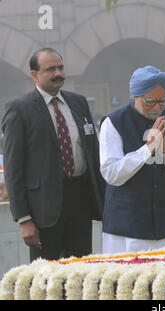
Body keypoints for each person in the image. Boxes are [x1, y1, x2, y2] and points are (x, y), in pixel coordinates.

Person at [1, 48, 105, 262]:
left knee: (81, 270)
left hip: (80, 202)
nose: (58, 73)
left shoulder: (79, 103)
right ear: (34, 75)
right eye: (50, 69)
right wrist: (24, 219)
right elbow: (13, 169)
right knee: (46, 277)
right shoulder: (19, 109)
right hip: (42, 210)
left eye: (60, 67)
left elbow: (93, 154)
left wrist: (104, 201)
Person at [99, 66, 165, 253]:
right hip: (125, 229)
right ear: (136, 97)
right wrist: (148, 148)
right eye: (151, 101)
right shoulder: (113, 122)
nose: (158, 107)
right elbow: (111, 174)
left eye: (163, 101)